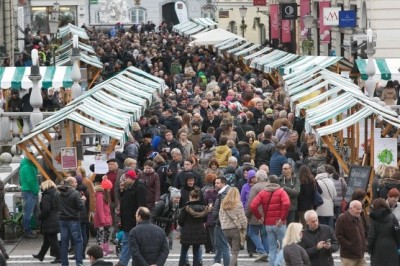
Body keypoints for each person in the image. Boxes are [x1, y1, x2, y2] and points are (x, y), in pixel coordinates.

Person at [250, 175, 290, 266]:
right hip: (280, 224)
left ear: (268, 182)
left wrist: (259, 217)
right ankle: (277, 263)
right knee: (285, 246)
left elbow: (253, 206)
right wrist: (282, 218)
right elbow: (286, 203)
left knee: (272, 249)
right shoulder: (281, 192)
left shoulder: (263, 193)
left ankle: (273, 264)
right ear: (277, 182)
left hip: (268, 224)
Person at [115, 170, 146, 266]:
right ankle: (124, 262)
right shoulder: (129, 187)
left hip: (134, 220)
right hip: (127, 220)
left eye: (127, 178)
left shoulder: (139, 187)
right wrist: (121, 190)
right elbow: (124, 200)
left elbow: (141, 205)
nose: (125, 179)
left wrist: (140, 219)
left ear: (132, 178)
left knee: (128, 242)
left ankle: (123, 262)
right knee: (126, 242)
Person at [57, 176, 85, 266]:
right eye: (75, 182)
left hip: (62, 219)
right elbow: (80, 207)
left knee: (64, 242)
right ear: (71, 184)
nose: (77, 184)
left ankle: (64, 263)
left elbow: (56, 205)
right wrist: (83, 200)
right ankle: (79, 262)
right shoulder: (75, 193)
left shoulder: (59, 192)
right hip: (73, 219)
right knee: (78, 241)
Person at [178, 189, 209, 266]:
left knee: (184, 252)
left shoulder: (186, 207)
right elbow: (205, 219)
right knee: (196, 252)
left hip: (187, 231)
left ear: (190, 197)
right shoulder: (204, 207)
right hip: (199, 232)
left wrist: (184, 226)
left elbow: (180, 220)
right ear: (198, 197)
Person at [32, 180, 61, 263]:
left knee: (52, 239)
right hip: (55, 218)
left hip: (49, 220)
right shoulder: (56, 193)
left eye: (41, 186)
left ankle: (59, 257)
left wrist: (40, 217)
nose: (41, 188)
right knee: (47, 240)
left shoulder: (46, 196)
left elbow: (46, 210)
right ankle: (41, 255)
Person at [245, 170, 269, 262]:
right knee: (265, 235)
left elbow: (250, 203)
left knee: (252, 233)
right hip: (267, 215)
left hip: (256, 215)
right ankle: (266, 253)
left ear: (257, 178)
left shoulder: (255, 187)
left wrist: (247, 215)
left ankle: (262, 252)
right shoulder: (269, 186)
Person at [219, 187, 248, 266]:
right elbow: (243, 218)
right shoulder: (238, 204)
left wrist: (223, 225)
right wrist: (244, 228)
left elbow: (220, 217)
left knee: (233, 250)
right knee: (235, 252)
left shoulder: (223, 203)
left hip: (225, 229)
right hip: (235, 229)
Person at [368, 198, 400, 266]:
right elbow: (398, 233)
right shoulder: (392, 217)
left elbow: (371, 236)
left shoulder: (374, 219)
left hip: (378, 249)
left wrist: (369, 248)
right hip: (392, 247)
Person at [335, 200, 368, 266]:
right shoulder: (342, 219)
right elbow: (338, 236)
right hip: (348, 256)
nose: (359, 211)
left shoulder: (360, 217)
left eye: (360, 209)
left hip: (360, 255)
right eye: (357, 209)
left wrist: (364, 245)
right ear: (351, 208)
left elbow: (363, 232)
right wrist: (350, 246)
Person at [212, 177, 231, 266]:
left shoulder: (225, 193)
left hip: (222, 223)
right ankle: (217, 262)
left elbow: (224, 210)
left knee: (223, 246)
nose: (216, 185)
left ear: (223, 184)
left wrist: (218, 220)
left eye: (218, 183)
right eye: (215, 183)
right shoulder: (223, 192)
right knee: (218, 245)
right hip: (220, 222)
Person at [19, 153, 39, 238]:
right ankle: (27, 231)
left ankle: (29, 229)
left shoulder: (24, 166)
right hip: (30, 191)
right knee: (29, 212)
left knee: (28, 212)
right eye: (34, 156)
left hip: (26, 190)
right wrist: (36, 190)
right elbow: (31, 181)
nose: (35, 158)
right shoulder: (28, 167)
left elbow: (21, 181)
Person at [93, 176, 113, 256]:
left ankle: (105, 247)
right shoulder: (100, 196)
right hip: (101, 220)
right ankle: (99, 249)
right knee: (100, 235)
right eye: (108, 188)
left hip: (106, 219)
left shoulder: (105, 196)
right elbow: (99, 209)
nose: (109, 190)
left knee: (107, 233)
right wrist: (102, 220)